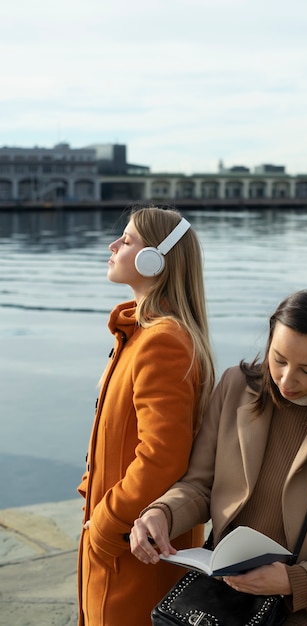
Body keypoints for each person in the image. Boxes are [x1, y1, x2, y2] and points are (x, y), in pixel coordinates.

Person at [130, 288, 307, 626]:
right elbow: (200, 486)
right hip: (231, 599)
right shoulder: (234, 387)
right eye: (279, 359)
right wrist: (163, 514)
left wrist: (295, 580)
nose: (287, 379)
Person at [77, 205, 215, 626]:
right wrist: (92, 489)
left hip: (136, 547)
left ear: (153, 259)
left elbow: (161, 457)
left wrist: (106, 522)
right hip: (126, 539)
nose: (113, 245)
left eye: (128, 239)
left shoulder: (162, 342)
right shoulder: (140, 335)